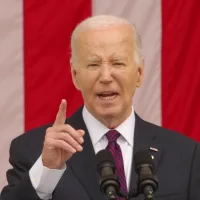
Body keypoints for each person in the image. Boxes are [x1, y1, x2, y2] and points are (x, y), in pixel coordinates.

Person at [1, 15, 200, 200]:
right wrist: (47, 170)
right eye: (93, 64)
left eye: (118, 63)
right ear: (75, 75)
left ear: (139, 73)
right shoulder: (34, 151)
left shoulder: (185, 155)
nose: (105, 76)